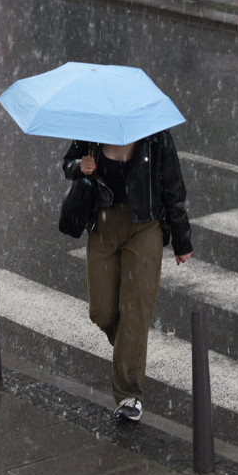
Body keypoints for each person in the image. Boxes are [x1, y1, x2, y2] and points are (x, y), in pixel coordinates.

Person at [62, 130, 193, 422]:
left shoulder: (157, 136)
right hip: (103, 226)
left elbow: (174, 188)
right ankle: (129, 353)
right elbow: (68, 164)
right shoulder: (92, 131)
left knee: (135, 312)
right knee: (102, 311)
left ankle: (129, 394)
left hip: (144, 227)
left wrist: (182, 240)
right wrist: (78, 166)